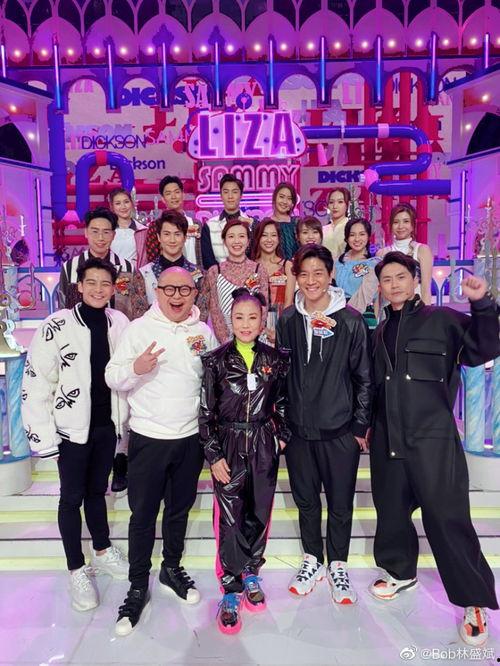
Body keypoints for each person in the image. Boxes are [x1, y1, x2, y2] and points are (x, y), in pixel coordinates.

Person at [369, 251, 499, 647]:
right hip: (388, 439)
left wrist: (482, 304)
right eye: (386, 279)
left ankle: (474, 602)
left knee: (447, 519)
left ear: (415, 279)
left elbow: (484, 347)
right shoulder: (379, 330)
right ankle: (400, 572)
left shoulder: (443, 320)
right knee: (391, 513)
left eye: (400, 277)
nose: (394, 284)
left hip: (433, 439)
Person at [105, 267, 218, 637]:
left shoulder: (203, 332)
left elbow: (212, 381)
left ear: (194, 293)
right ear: (157, 291)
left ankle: (171, 567)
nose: (176, 296)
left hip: (189, 439)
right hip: (148, 438)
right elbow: (112, 375)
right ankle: (138, 585)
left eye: (184, 289)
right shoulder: (138, 329)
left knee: (178, 510)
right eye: (169, 289)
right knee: (142, 516)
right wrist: (136, 368)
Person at [22, 258, 130, 611]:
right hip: (70, 430)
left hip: (106, 426)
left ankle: (102, 548)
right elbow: (37, 381)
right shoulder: (56, 325)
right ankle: (76, 569)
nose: (98, 289)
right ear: (79, 286)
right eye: (91, 282)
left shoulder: (120, 323)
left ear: (113, 289)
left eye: (105, 283)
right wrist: (43, 437)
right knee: (71, 498)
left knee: (97, 491)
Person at [276, 244, 372, 604]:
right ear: (296, 278)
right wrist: (283, 426)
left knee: (340, 503)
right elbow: (281, 376)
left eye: (318, 272)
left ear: (331, 274)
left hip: (340, 432)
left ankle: (338, 565)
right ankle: (313, 559)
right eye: (304, 274)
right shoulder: (287, 319)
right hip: (299, 433)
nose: (311, 280)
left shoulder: (351, 320)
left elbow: (364, 378)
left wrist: (359, 427)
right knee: (306, 502)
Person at [199, 288, 290, 634]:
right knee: (230, 519)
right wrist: (214, 454)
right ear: (230, 320)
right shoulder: (216, 361)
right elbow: (206, 412)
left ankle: (252, 572)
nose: (246, 324)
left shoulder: (275, 359)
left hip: (263, 442)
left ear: (263, 320)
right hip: (229, 443)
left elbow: (283, 402)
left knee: (259, 512)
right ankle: (230, 587)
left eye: (253, 317)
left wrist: (281, 437)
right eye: (239, 317)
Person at [200, 219, 269, 344]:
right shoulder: (215, 271)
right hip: (223, 341)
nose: (236, 241)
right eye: (231, 236)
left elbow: (263, 308)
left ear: (248, 241)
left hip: (255, 340)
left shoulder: (259, 270)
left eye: (241, 236)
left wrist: (252, 337)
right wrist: (226, 342)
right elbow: (211, 309)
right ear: (224, 241)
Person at [58, 207, 133, 309]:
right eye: (95, 231)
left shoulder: (127, 267)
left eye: (106, 232)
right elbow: (63, 307)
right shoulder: (70, 267)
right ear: (86, 232)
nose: (100, 238)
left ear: (113, 235)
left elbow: (132, 307)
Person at [138, 211, 203, 306]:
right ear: (159, 237)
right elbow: (140, 311)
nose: (172, 240)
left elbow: (202, 310)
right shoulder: (144, 274)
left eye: (177, 234)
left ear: (185, 238)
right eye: (167, 234)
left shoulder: (199, 275)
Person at [136, 176, 202, 268]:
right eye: (168, 193)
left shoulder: (196, 224)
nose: (173, 197)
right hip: (166, 274)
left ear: (183, 195)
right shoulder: (155, 226)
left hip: (194, 274)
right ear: (163, 199)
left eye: (177, 192)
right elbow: (152, 257)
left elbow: (201, 256)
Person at [376, 203, 433, 305]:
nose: (401, 226)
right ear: (391, 225)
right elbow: (378, 292)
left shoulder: (422, 250)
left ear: (412, 225)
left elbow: (426, 288)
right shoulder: (382, 253)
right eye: (396, 222)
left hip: (415, 308)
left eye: (406, 221)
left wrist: (426, 313)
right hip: (389, 308)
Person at [250, 219, 295, 344]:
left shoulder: (287, 265)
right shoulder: (251, 266)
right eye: (264, 235)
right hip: (255, 327)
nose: (269, 240)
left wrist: (280, 330)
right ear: (258, 238)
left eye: (273, 235)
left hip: (281, 325)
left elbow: (288, 302)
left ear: (279, 239)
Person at [200, 174, 254, 269]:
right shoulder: (209, 225)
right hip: (218, 276)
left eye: (234, 192)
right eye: (226, 192)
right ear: (221, 195)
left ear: (241, 195)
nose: (230, 196)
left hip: (249, 276)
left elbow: (255, 255)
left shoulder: (251, 223)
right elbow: (208, 260)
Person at [334, 218, 380, 329]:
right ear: (346, 238)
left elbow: (373, 298)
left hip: (363, 316)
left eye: (362, 234)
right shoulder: (337, 263)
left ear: (368, 236)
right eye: (352, 235)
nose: (357, 239)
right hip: (337, 315)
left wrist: (346, 316)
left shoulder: (373, 264)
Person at [109, 188, 146, 265]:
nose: (123, 207)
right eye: (118, 203)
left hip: (135, 271)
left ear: (132, 203)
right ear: (112, 207)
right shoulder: (108, 231)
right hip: (112, 271)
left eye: (126, 202)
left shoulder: (143, 230)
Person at [269, 182, 300, 260]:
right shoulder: (266, 224)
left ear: (292, 204)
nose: (285, 201)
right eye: (281, 197)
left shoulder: (297, 223)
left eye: (289, 198)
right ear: (274, 198)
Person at [322, 187, 350, 259]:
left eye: (340, 202)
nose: (335, 206)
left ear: (348, 204)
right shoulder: (322, 230)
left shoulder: (351, 228)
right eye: (331, 202)